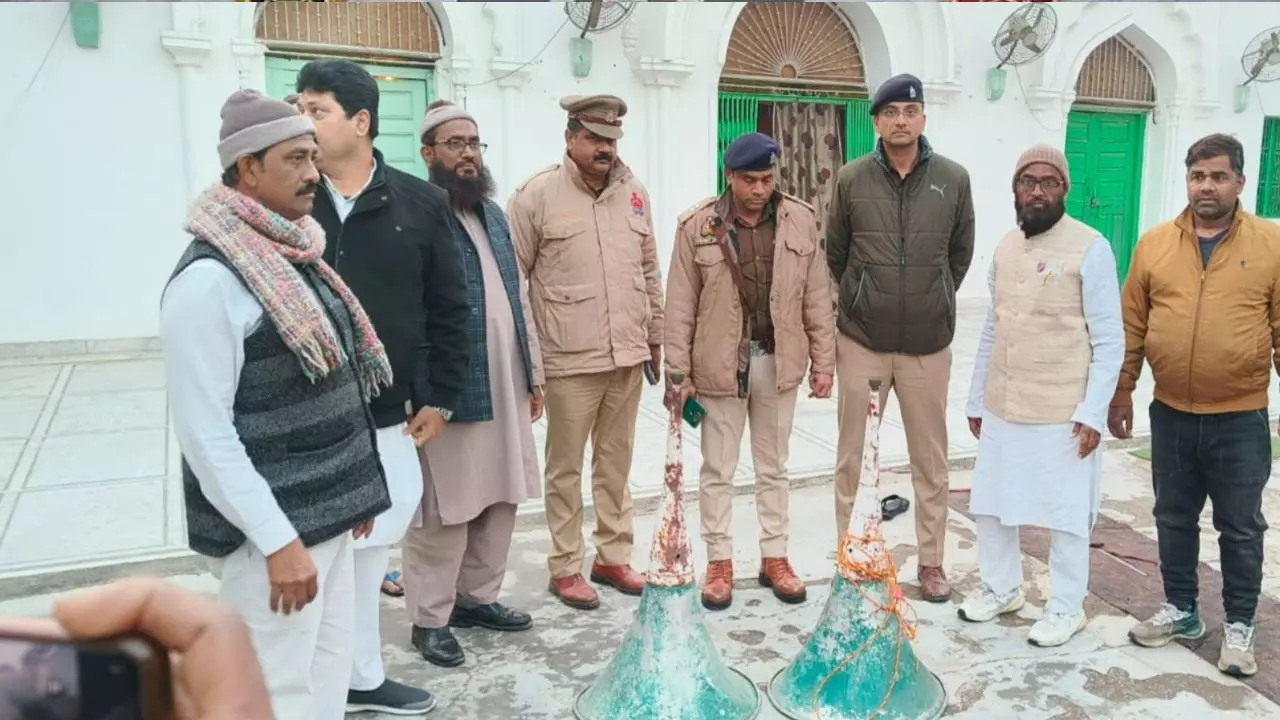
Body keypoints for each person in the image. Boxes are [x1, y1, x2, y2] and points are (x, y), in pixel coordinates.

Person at [159, 89, 392, 719]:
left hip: (328, 515)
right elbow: (205, 435)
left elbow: (332, 379)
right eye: (294, 158)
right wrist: (275, 540)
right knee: (269, 690)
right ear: (247, 169)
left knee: (323, 677)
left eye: (313, 156)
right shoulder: (209, 280)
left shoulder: (294, 251)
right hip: (277, 537)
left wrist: (355, 491)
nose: (312, 173)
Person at [294, 59, 469, 715]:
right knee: (309, 559)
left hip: (387, 410)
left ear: (361, 121)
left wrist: (441, 396)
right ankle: (308, 687)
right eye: (300, 106)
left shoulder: (419, 204)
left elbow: (451, 307)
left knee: (373, 548)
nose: (304, 121)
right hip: (303, 414)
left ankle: (360, 677)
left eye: (318, 110)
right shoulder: (291, 199)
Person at [1110, 133, 1280, 678]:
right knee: (1173, 517)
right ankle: (1183, 611)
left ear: (1240, 183)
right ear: (1187, 180)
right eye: (1197, 176)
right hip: (1172, 412)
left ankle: (1238, 624)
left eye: (1218, 176)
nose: (1206, 186)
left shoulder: (1271, 244)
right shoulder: (1155, 244)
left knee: (1240, 526)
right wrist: (1121, 389)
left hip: (1241, 414)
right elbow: (1131, 325)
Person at [958, 145, 1123, 647]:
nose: (1037, 190)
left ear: (1064, 189)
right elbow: (993, 326)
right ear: (1015, 188)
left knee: (1066, 514)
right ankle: (1001, 589)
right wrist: (974, 398)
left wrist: (1093, 411)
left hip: (1064, 413)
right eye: (1028, 180)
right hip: (1005, 404)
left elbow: (1110, 339)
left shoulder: (1091, 247)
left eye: (1049, 181)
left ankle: (1067, 607)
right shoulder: (1007, 246)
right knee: (991, 505)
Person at [663, 132, 835, 611]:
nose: (760, 189)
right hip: (719, 368)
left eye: (767, 179)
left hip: (778, 364)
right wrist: (678, 374)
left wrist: (824, 361)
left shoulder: (799, 219)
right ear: (730, 177)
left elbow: (818, 296)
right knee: (718, 468)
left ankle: (774, 556)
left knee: (773, 467)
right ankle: (719, 561)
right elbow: (679, 305)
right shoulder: (697, 227)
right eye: (750, 180)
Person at [507, 95, 665, 610]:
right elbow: (515, 284)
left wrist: (655, 338)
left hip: (626, 356)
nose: (605, 149)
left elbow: (648, 272)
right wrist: (531, 363)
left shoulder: (634, 193)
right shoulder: (536, 197)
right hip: (569, 359)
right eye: (595, 139)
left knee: (616, 465)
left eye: (612, 140)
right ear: (570, 137)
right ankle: (565, 565)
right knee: (566, 469)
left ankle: (613, 556)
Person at [825, 73, 975, 602]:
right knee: (854, 456)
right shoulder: (851, 179)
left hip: (927, 346)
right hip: (862, 339)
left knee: (930, 459)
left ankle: (931, 562)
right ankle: (854, 551)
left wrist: (932, 296)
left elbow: (958, 256)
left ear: (923, 118)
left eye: (909, 112)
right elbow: (835, 254)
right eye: (890, 113)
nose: (900, 121)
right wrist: (864, 296)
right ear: (877, 122)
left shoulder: (953, 179)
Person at [402, 100, 542, 667]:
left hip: (505, 381)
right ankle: (429, 618)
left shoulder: (494, 214)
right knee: (447, 507)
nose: (467, 153)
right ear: (429, 153)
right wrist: (419, 390)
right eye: (454, 143)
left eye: (474, 143)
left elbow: (517, 297)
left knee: (500, 496)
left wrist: (536, 376)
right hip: (449, 389)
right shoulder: (414, 215)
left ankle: (476, 599)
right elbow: (405, 310)